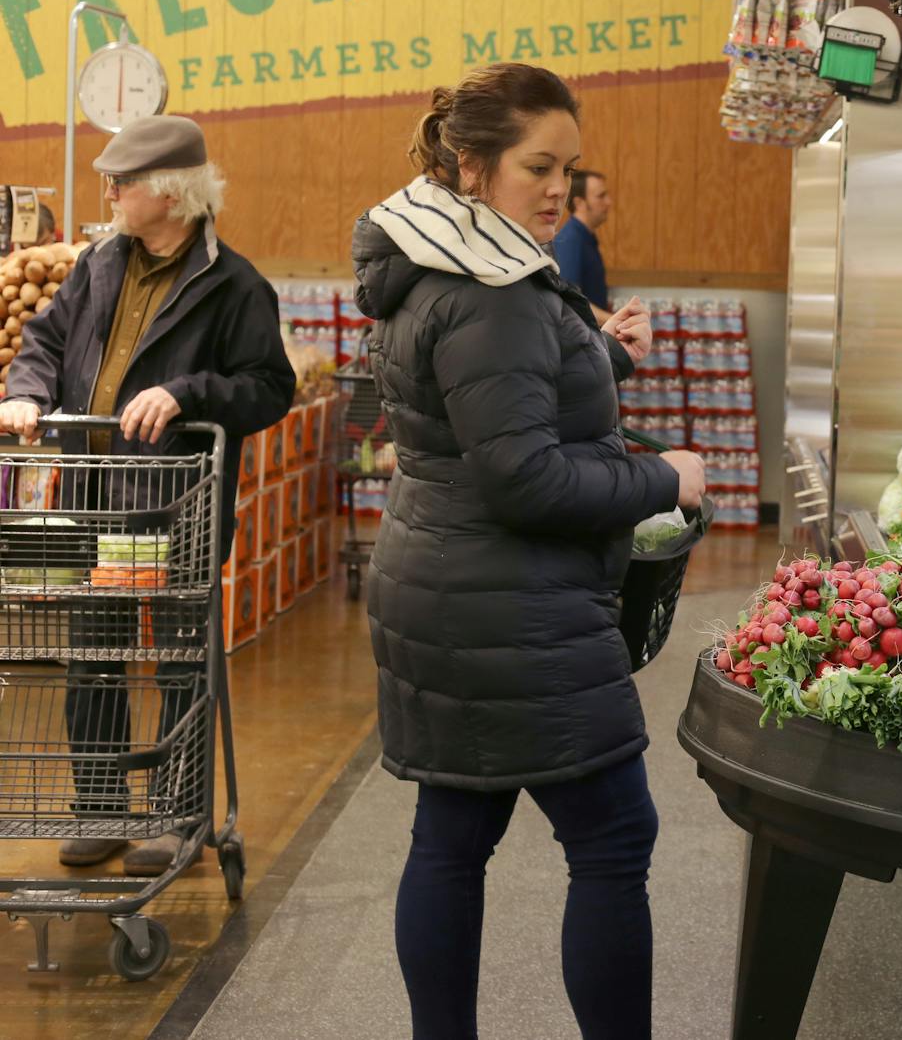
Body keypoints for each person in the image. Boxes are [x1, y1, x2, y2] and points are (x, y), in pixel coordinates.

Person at [351, 63, 705, 1040]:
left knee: (453, 835)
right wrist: (661, 479)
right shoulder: (493, 289)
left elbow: (500, 420)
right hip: (509, 607)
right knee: (611, 837)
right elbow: (526, 479)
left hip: (446, 586)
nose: (557, 189)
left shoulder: (443, 264)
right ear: (471, 168)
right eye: (536, 168)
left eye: (568, 168)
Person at [0, 115, 295, 875]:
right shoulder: (100, 263)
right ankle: (102, 809)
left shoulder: (234, 284)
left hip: (175, 504)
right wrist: (28, 392)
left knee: (177, 659)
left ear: (169, 192)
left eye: (121, 182)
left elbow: (269, 388)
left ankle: (175, 816)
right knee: (94, 656)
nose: (108, 192)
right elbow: (42, 341)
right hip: (97, 499)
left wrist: (186, 390)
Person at [552, 167, 612, 322]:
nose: (608, 202)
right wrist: (614, 322)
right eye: (601, 196)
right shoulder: (570, 240)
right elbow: (569, 302)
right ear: (579, 203)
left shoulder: (584, 237)